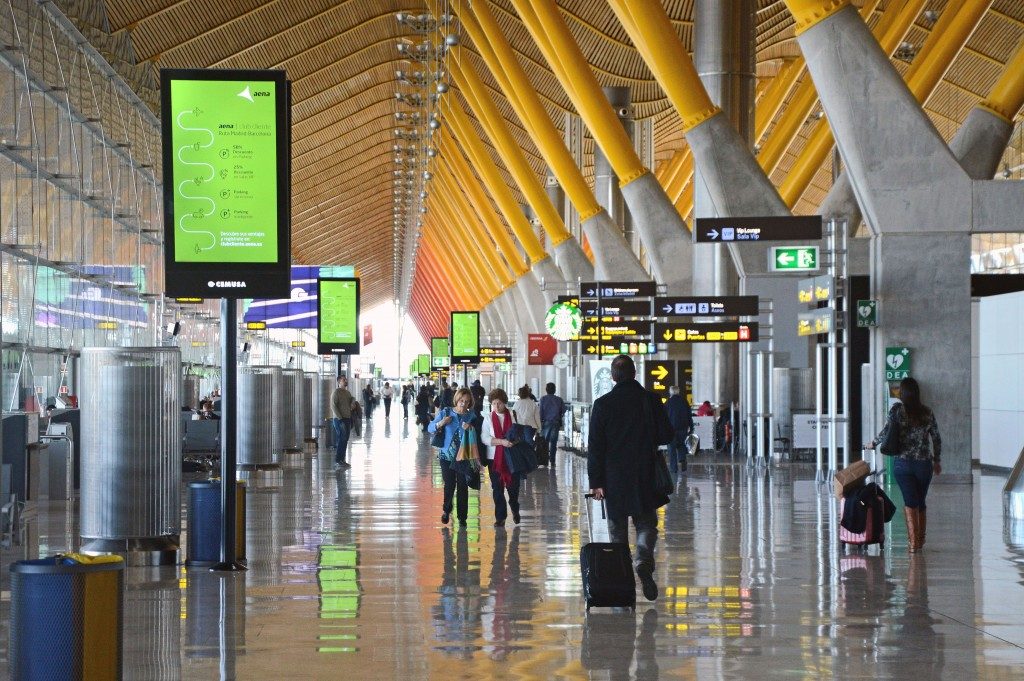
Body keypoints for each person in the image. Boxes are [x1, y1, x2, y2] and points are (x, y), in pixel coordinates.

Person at [588, 355, 673, 602]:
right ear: (635, 374)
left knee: (617, 532)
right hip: (645, 474)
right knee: (647, 524)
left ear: (613, 377)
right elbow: (667, 434)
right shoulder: (650, 400)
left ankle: (623, 579)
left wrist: (596, 483)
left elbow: (596, 447)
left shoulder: (603, 404)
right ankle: (643, 562)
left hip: (614, 478)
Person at [866, 377, 942, 553]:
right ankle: (920, 541)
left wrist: (873, 443)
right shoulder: (927, 413)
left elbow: (886, 431)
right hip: (924, 465)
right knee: (920, 501)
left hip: (903, 465)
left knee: (910, 501)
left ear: (902, 393)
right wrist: (937, 460)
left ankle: (914, 543)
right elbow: (936, 438)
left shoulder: (897, 411)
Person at [429, 388, 480, 528]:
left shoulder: (471, 416)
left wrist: (471, 428)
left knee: (463, 487)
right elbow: (430, 427)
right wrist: (442, 423)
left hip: (463, 456)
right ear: (456, 399)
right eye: (461, 401)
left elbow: (478, 435)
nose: (463, 404)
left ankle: (462, 517)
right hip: (446, 456)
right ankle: (446, 510)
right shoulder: (446, 412)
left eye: (467, 402)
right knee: (450, 485)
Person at [481, 388, 520, 527]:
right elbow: (485, 438)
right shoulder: (488, 417)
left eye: (499, 403)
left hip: (512, 458)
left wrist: (513, 441)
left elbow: (519, 433)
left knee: (513, 488)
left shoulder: (513, 414)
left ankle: (515, 508)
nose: (496, 406)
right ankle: (500, 517)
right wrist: (501, 442)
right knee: (497, 489)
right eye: (494, 404)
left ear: (504, 403)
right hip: (494, 459)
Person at [664, 386, 694, 478]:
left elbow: (664, 416)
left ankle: (674, 468)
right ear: (678, 392)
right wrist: (691, 427)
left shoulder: (668, 402)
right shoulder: (684, 401)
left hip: (671, 428)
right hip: (683, 428)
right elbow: (689, 415)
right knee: (681, 444)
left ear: (671, 392)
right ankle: (682, 459)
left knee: (671, 448)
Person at [331, 376, 357, 470]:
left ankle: (342, 460)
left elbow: (351, 400)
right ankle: (338, 460)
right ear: (339, 382)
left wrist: (353, 402)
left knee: (345, 440)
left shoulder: (347, 393)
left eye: (346, 379)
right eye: (343, 380)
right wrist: (340, 418)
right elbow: (333, 406)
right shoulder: (336, 392)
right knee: (342, 439)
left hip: (347, 418)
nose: (346, 381)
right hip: (339, 420)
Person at [539, 382, 566, 464]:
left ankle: (545, 459)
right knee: (553, 442)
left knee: (545, 442)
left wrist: (540, 423)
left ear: (546, 390)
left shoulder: (543, 399)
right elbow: (563, 410)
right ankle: (552, 460)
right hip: (555, 423)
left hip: (546, 422)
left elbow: (540, 412)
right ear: (555, 390)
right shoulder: (559, 399)